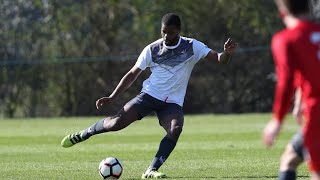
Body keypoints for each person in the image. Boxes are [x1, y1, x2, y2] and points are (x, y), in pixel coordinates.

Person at [61, 13, 237, 179]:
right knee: (115, 123)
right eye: (164, 31)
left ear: (179, 31)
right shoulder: (152, 49)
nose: (166, 36)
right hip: (149, 95)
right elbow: (132, 74)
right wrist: (113, 96)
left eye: (171, 32)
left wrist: (227, 54)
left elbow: (219, 59)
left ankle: (151, 170)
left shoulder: (192, 46)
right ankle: (84, 134)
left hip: (172, 103)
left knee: (175, 129)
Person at [262, 0, 320, 180]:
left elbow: (286, 80)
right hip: (312, 113)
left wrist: (277, 120)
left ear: (282, 12)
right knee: (290, 158)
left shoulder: (286, 39)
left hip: (317, 114)